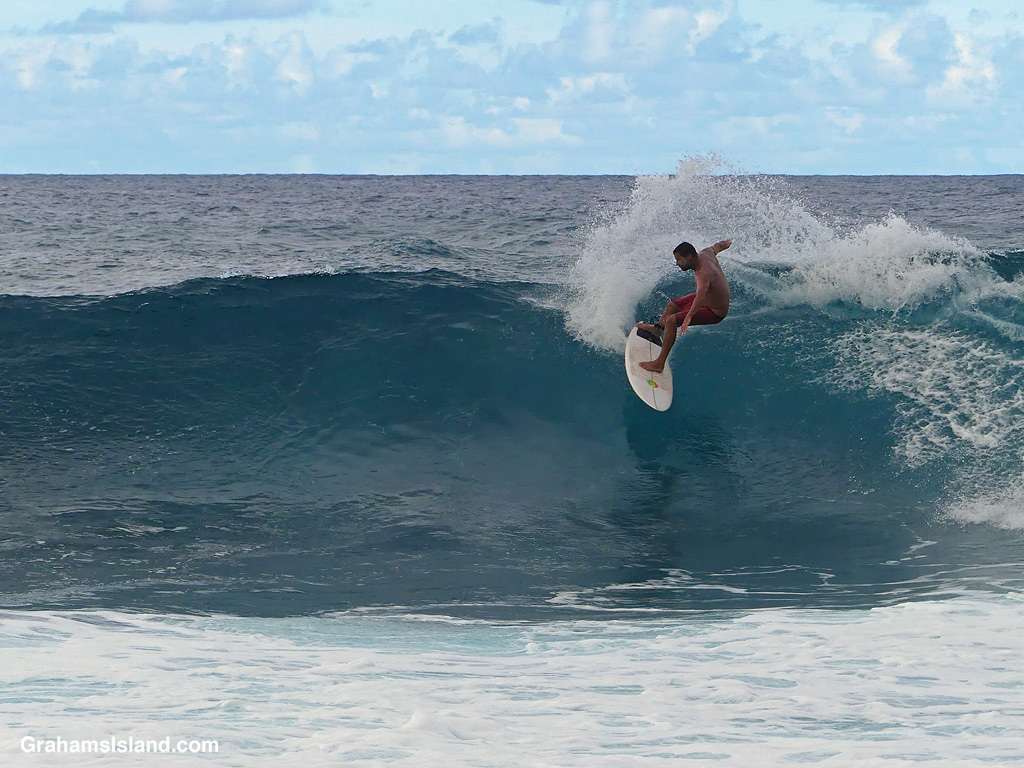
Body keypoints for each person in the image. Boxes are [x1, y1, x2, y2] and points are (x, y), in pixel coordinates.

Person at [636, 239, 732, 373]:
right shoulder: (706, 253)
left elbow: (700, 297)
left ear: (689, 256)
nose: (676, 263)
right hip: (709, 300)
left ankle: (659, 363)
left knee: (672, 320)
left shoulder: (703, 273)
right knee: (673, 305)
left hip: (714, 311)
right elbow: (718, 246)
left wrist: (689, 316)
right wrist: (729, 242)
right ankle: (657, 330)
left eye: (679, 260)